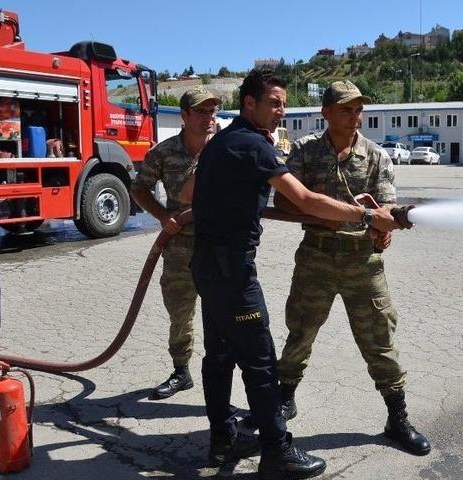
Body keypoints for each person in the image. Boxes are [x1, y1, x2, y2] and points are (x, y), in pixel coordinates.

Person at [188, 69, 400, 478]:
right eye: (273, 102)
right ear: (249, 103)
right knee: (261, 361)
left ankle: (221, 438)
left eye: (283, 103)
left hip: (208, 266)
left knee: (219, 354)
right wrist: (366, 214)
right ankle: (277, 452)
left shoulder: (221, 143)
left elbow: (192, 194)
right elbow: (303, 199)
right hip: (233, 272)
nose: (280, 111)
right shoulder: (253, 146)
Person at [273, 80, 431, 456]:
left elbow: (387, 207)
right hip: (316, 255)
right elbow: (282, 204)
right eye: (347, 109)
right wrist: (320, 213)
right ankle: (285, 399)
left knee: (379, 339)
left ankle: (397, 417)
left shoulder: (376, 156)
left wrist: (390, 222)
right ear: (325, 113)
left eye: (359, 109)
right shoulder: (305, 152)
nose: (355, 116)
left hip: (363, 261)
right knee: (301, 331)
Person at [130, 86, 220, 400]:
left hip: (218, 249)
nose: (208, 117)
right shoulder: (164, 152)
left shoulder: (224, 148)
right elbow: (138, 188)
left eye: (212, 111)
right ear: (184, 116)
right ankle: (181, 372)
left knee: (221, 315)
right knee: (181, 314)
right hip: (180, 249)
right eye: (201, 111)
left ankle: (220, 377)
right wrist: (162, 216)